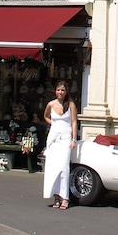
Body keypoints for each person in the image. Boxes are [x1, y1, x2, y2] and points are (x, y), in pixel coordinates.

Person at [42, 80, 77, 210]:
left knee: (63, 167)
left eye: (62, 90)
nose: (60, 92)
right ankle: (56, 196)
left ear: (66, 91)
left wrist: (74, 139)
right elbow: (45, 116)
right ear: (55, 91)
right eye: (58, 90)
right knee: (52, 168)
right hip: (54, 138)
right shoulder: (51, 104)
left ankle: (65, 197)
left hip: (66, 137)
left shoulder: (71, 105)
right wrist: (53, 125)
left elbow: (74, 122)